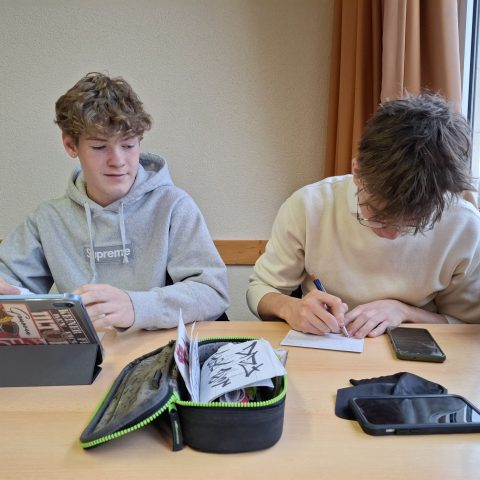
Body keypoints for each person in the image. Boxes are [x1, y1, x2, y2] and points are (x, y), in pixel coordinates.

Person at [0, 72, 229, 331]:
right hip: (88, 353)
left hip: (160, 350)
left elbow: (213, 292)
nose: (118, 161)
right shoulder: (48, 220)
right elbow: (8, 283)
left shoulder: (174, 206)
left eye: (128, 145)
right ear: (70, 145)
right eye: (100, 147)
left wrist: (136, 307)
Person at [247, 93, 480, 338]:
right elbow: (261, 289)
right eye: (377, 215)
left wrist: (405, 312)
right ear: (357, 172)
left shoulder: (463, 225)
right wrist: (290, 308)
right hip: (325, 345)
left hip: (416, 351)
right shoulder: (309, 206)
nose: (390, 235)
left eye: (413, 223)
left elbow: (468, 326)